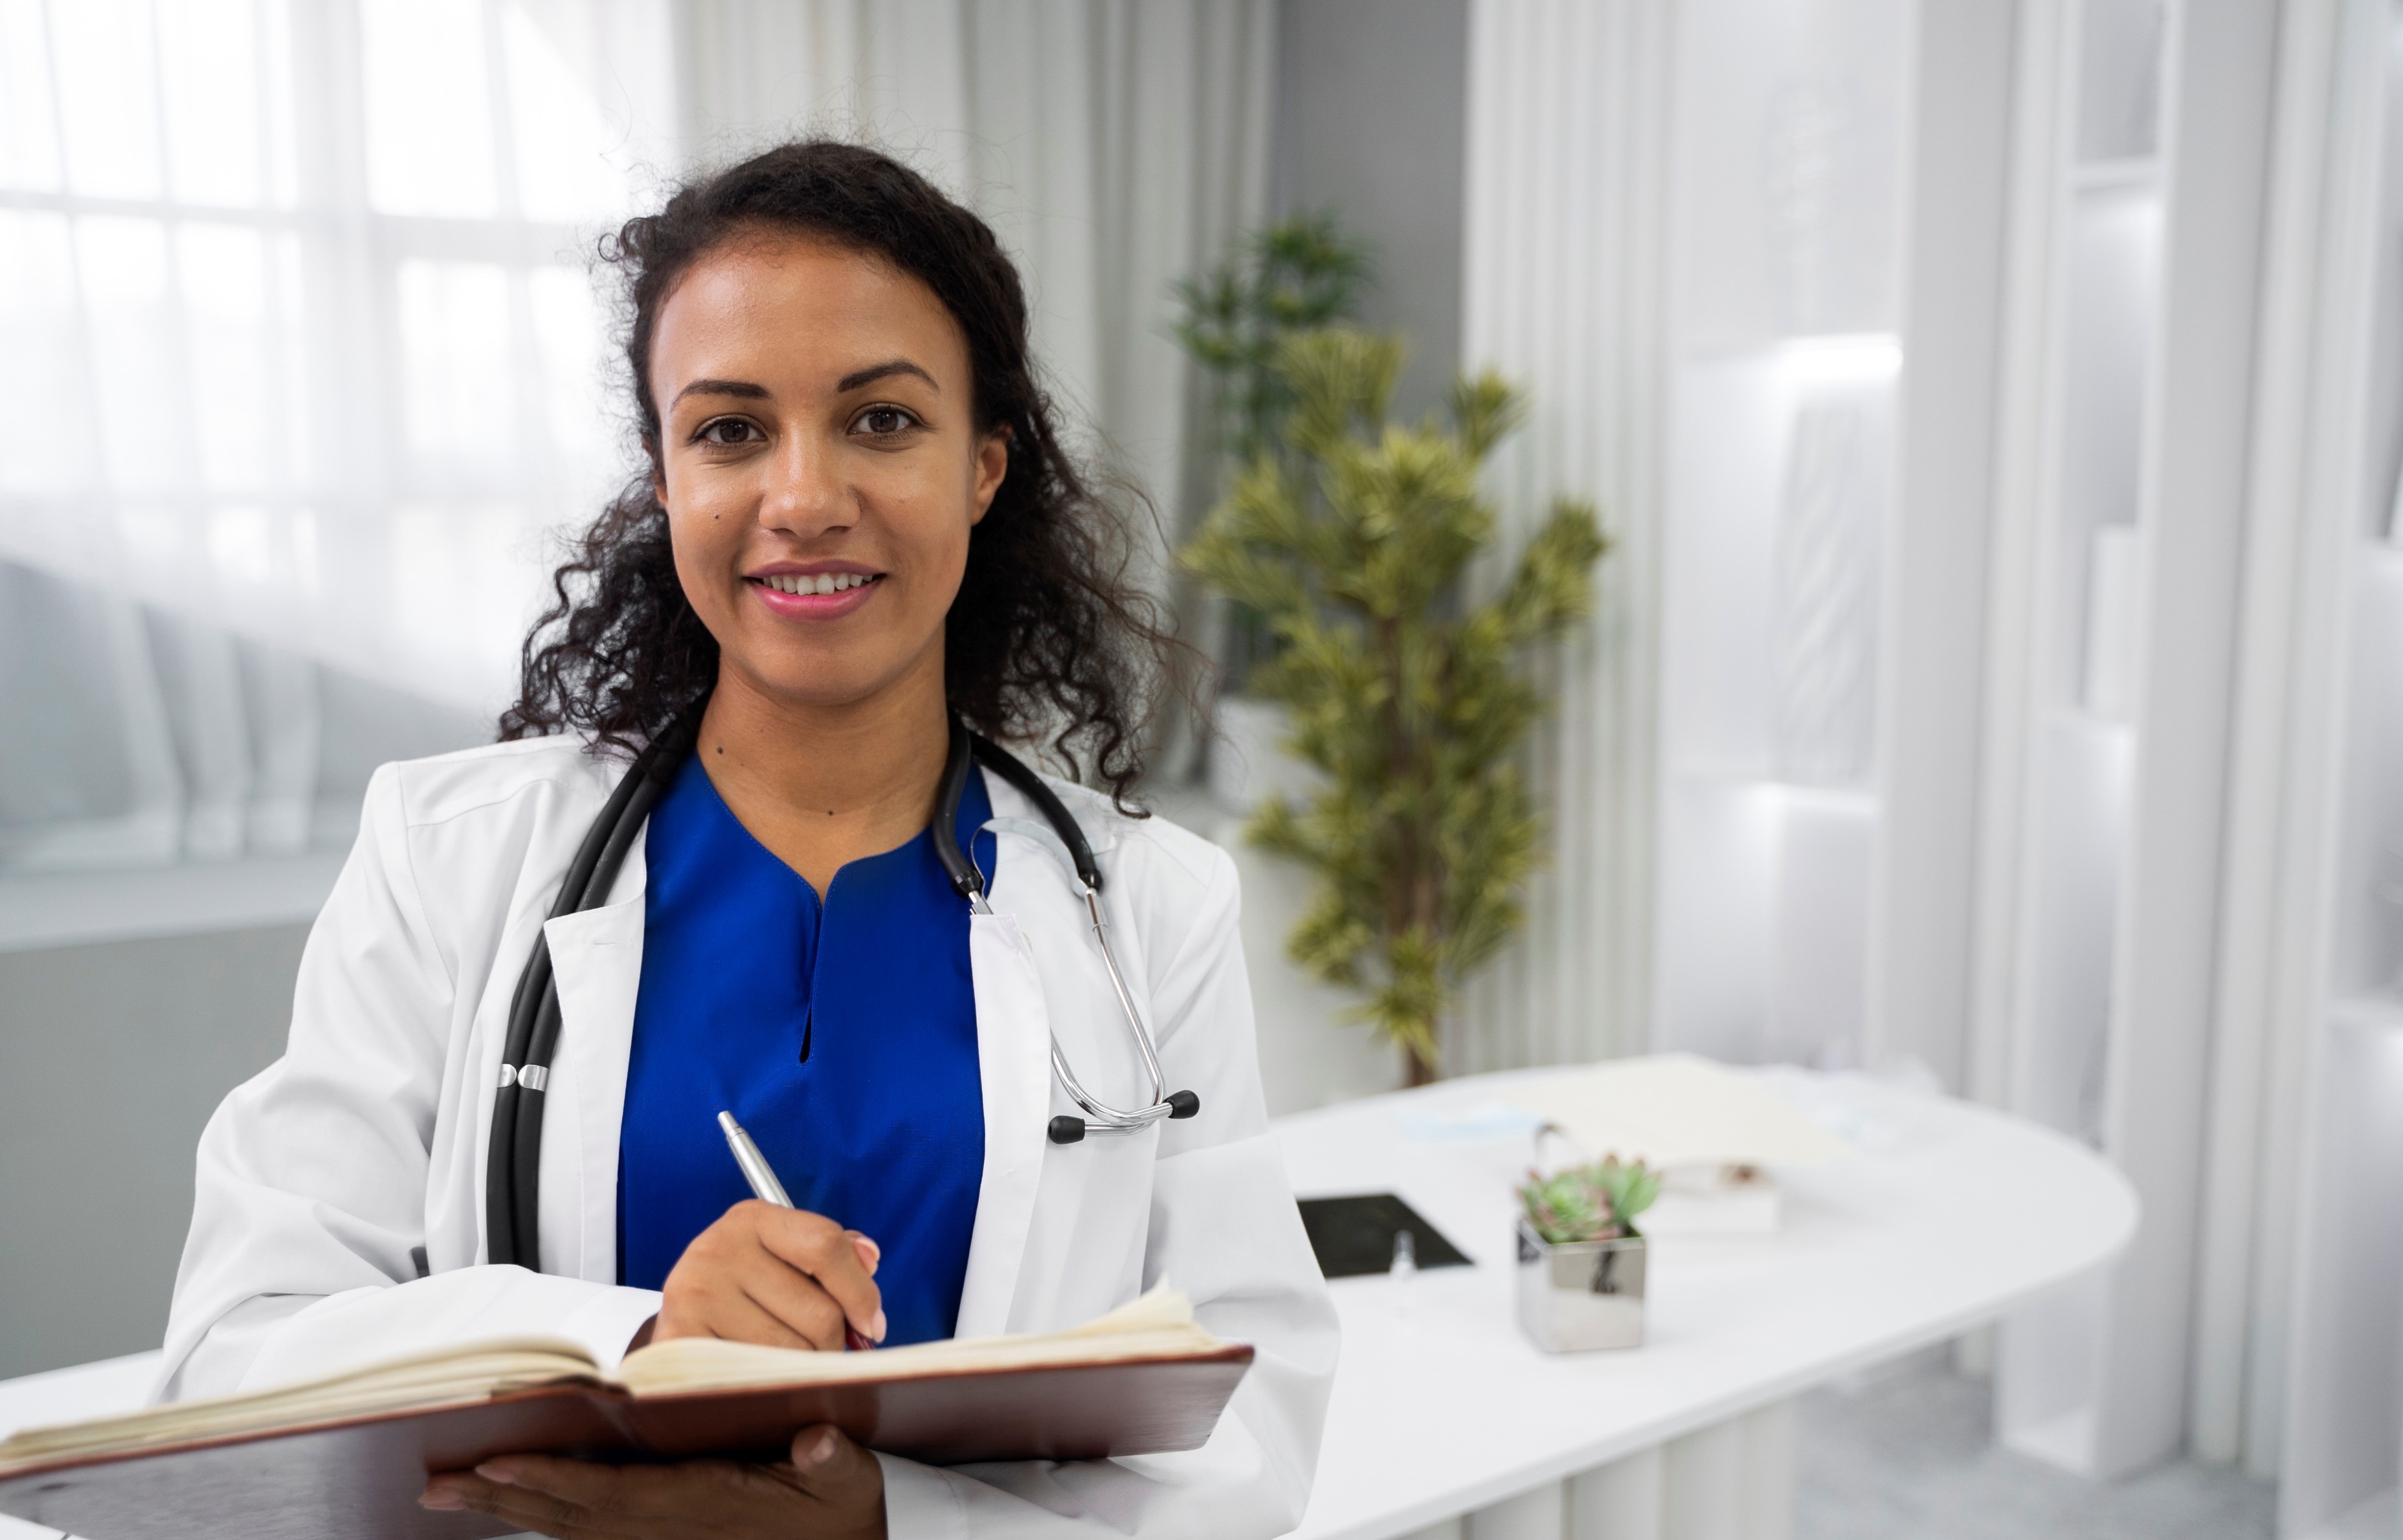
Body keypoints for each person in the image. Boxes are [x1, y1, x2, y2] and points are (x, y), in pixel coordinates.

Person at [157, 141, 1337, 1539]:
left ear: (982, 465)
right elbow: (238, 1355)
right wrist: (636, 1336)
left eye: (881, 421)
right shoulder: (448, 859)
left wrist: (879, 1523)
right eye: (728, 430)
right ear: (665, 480)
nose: (802, 496)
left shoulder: (1149, 909)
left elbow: (1251, 1432)